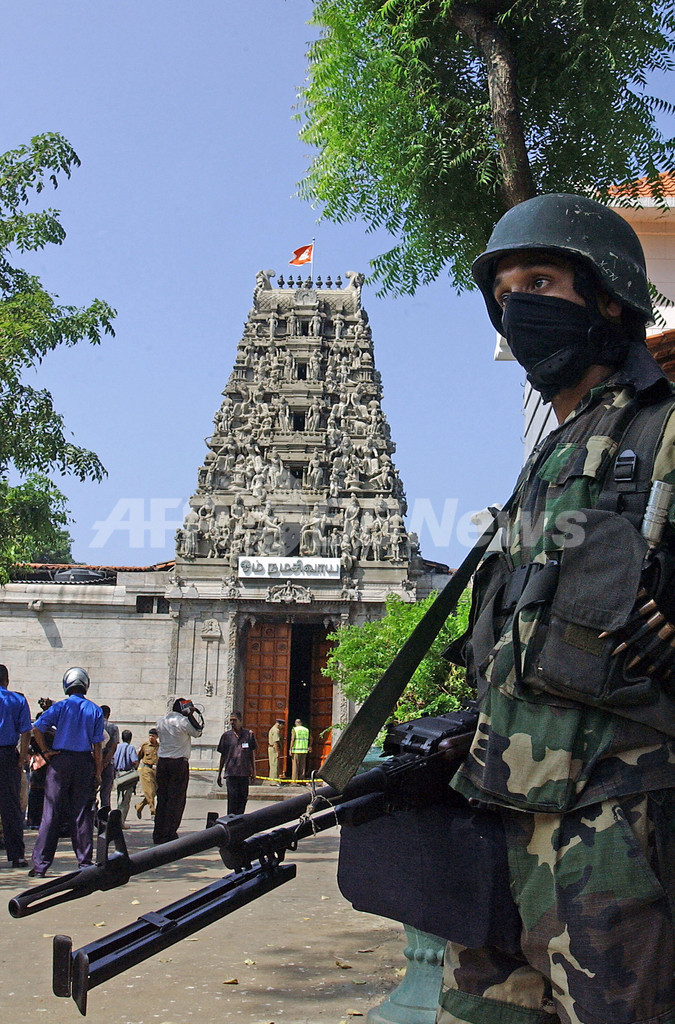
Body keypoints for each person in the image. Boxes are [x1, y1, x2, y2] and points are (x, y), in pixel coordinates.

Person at [436, 194, 675, 1024]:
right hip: (498, 815)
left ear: (607, 297)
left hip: (612, 832)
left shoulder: (663, 430)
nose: (517, 307)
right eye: (503, 295)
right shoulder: (548, 460)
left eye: (539, 281)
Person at [30, 667, 104, 877]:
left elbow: (37, 728)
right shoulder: (95, 710)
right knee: (82, 814)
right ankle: (84, 863)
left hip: (60, 761)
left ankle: (40, 866)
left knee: (50, 813)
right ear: (85, 686)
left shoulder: (60, 707)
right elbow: (98, 745)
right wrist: (98, 771)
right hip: (84, 762)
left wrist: (45, 752)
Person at [153, 699, 203, 845]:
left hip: (162, 762)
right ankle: (169, 833)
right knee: (176, 799)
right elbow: (198, 732)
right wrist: (191, 715)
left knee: (162, 798)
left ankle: (158, 833)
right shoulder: (183, 721)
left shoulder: (161, 721)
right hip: (178, 763)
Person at [0, 665, 31, 868]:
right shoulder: (18, 700)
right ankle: (16, 855)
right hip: (7, 755)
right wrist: (22, 759)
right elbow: (26, 731)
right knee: (11, 806)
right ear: (7, 680)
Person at [216, 711, 257, 814]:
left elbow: (251, 754)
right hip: (231, 773)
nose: (232, 722)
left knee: (243, 799)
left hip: (244, 773)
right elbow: (223, 756)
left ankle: (239, 821)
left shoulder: (248, 735)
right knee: (232, 800)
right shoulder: (226, 736)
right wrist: (219, 773)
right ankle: (231, 822)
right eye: (231, 720)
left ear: (240, 721)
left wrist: (253, 771)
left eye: (234, 720)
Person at [112, 729, 139, 827]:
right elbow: (134, 761)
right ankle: (121, 822)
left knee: (119, 799)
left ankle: (116, 821)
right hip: (127, 775)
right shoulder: (130, 748)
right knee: (125, 801)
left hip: (118, 774)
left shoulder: (117, 747)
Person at [98, 705, 119, 818]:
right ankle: (105, 817)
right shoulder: (113, 727)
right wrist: (105, 762)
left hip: (94, 760)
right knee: (105, 793)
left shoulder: (94, 725)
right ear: (108, 714)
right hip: (108, 763)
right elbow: (113, 747)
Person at [135, 727, 159, 819]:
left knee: (153, 792)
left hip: (156, 771)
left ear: (157, 737)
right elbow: (138, 757)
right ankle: (153, 812)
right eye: (149, 736)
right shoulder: (145, 746)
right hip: (146, 770)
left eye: (153, 736)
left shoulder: (159, 747)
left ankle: (139, 806)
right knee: (149, 792)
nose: (151, 738)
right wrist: (135, 769)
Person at [289, 718, 310, 783]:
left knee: (295, 766)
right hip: (304, 750)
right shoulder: (306, 730)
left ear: (296, 723)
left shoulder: (295, 729)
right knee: (302, 766)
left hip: (296, 750)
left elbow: (293, 739)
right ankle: (302, 780)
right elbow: (311, 738)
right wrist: (310, 746)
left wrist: (290, 749)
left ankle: (294, 781)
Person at [267, 717, 284, 784]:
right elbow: (275, 742)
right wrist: (277, 752)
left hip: (272, 748)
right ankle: (274, 782)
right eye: (282, 725)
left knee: (273, 765)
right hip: (273, 749)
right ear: (279, 724)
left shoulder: (273, 729)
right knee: (274, 765)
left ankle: (273, 780)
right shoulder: (276, 730)